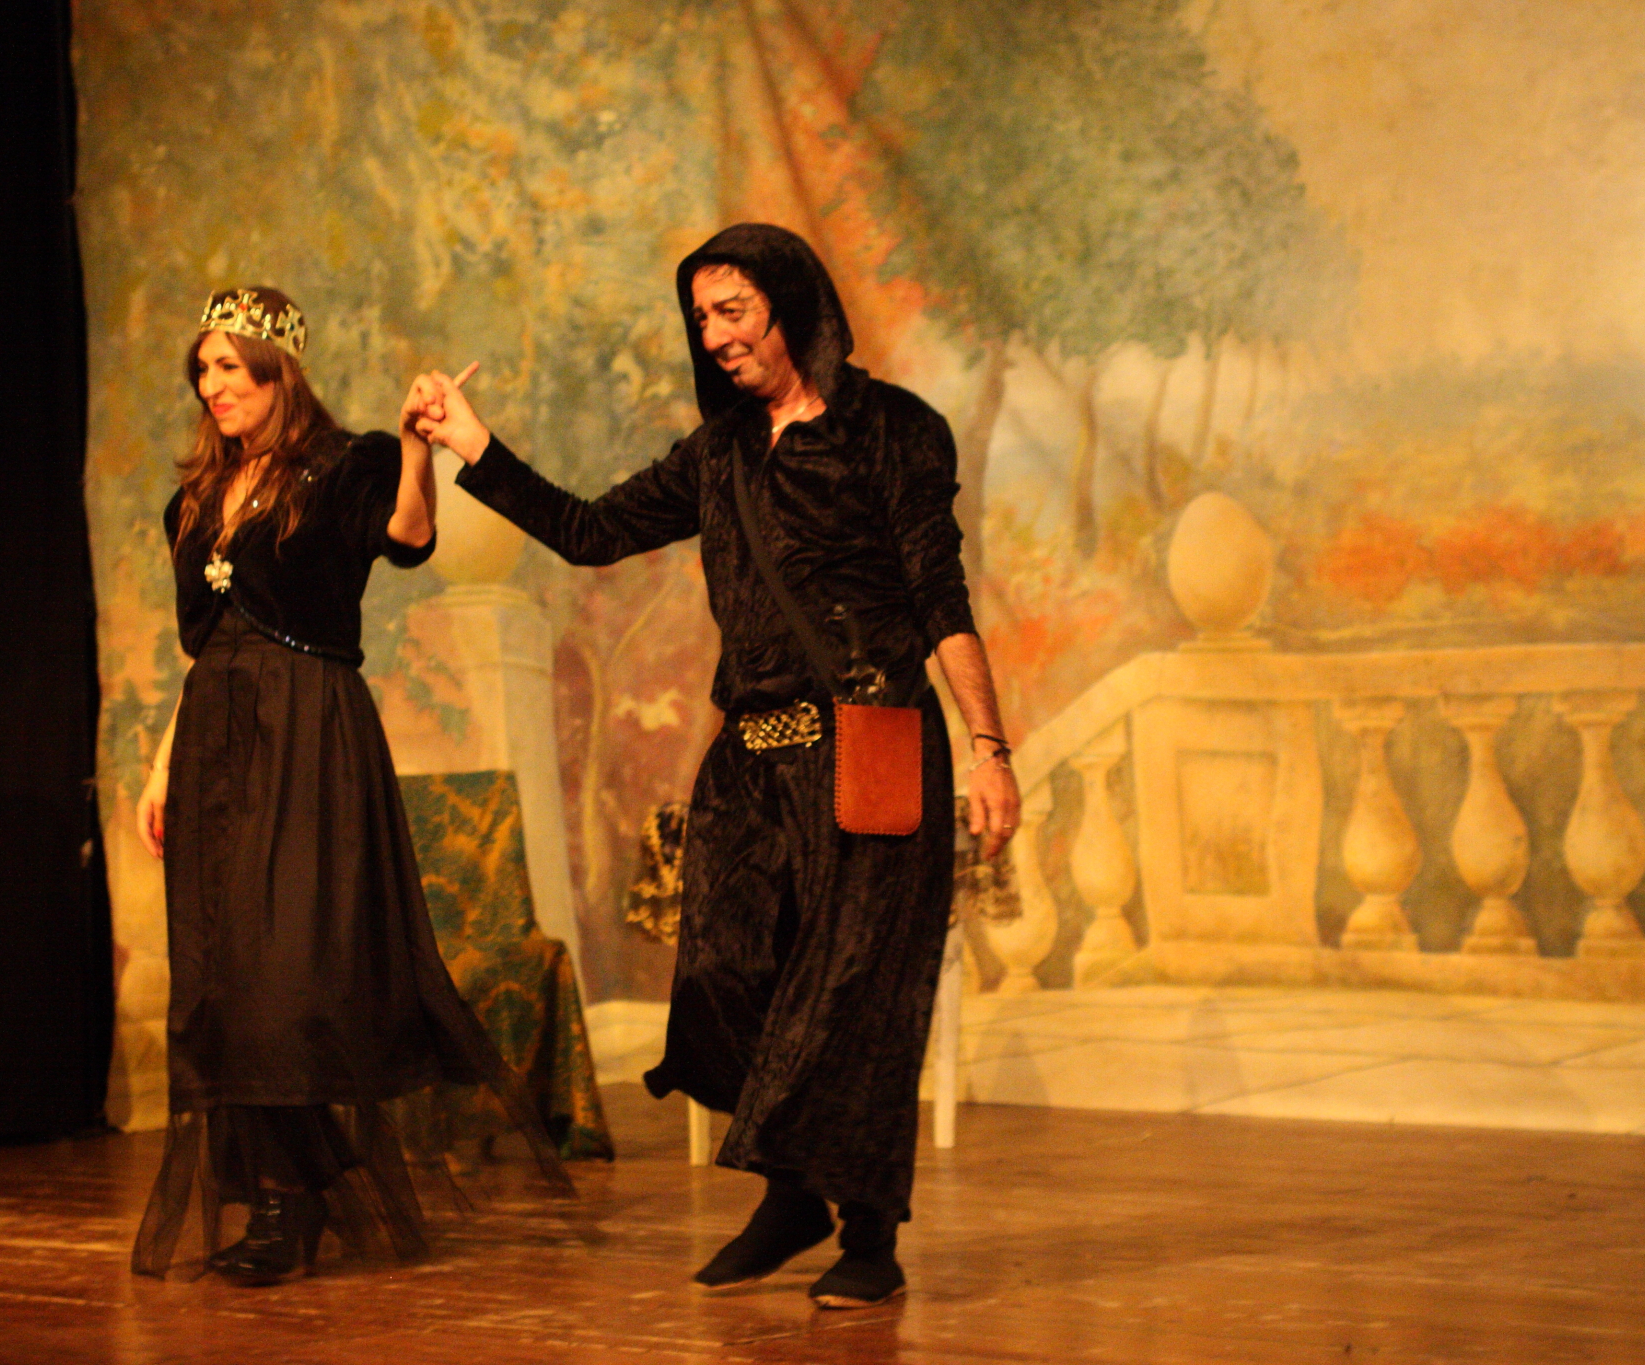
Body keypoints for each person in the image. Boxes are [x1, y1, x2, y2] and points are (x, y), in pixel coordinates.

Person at [414, 224, 1021, 1308]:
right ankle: (793, 1191)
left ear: (791, 303)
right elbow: (589, 531)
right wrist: (473, 444)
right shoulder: (718, 454)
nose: (714, 335)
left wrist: (987, 747)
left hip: (871, 746)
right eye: (701, 318)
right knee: (721, 978)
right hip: (749, 758)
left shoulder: (891, 431)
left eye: (731, 310)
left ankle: (865, 1238)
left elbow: (940, 596)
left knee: (853, 998)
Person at [131, 286, 569, 1284]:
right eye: (202, 371)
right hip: (214, 745)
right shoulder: (192, 500)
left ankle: (298, 1194)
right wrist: (161, 765)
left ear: (277, 373)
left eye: (230, 368)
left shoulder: (341, 465)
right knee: (222, 983)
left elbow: (408, 538)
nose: (212, 387)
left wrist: (414, 446)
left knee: (284, 978)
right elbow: (203, 647)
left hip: (307, 732)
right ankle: (287, 1197)